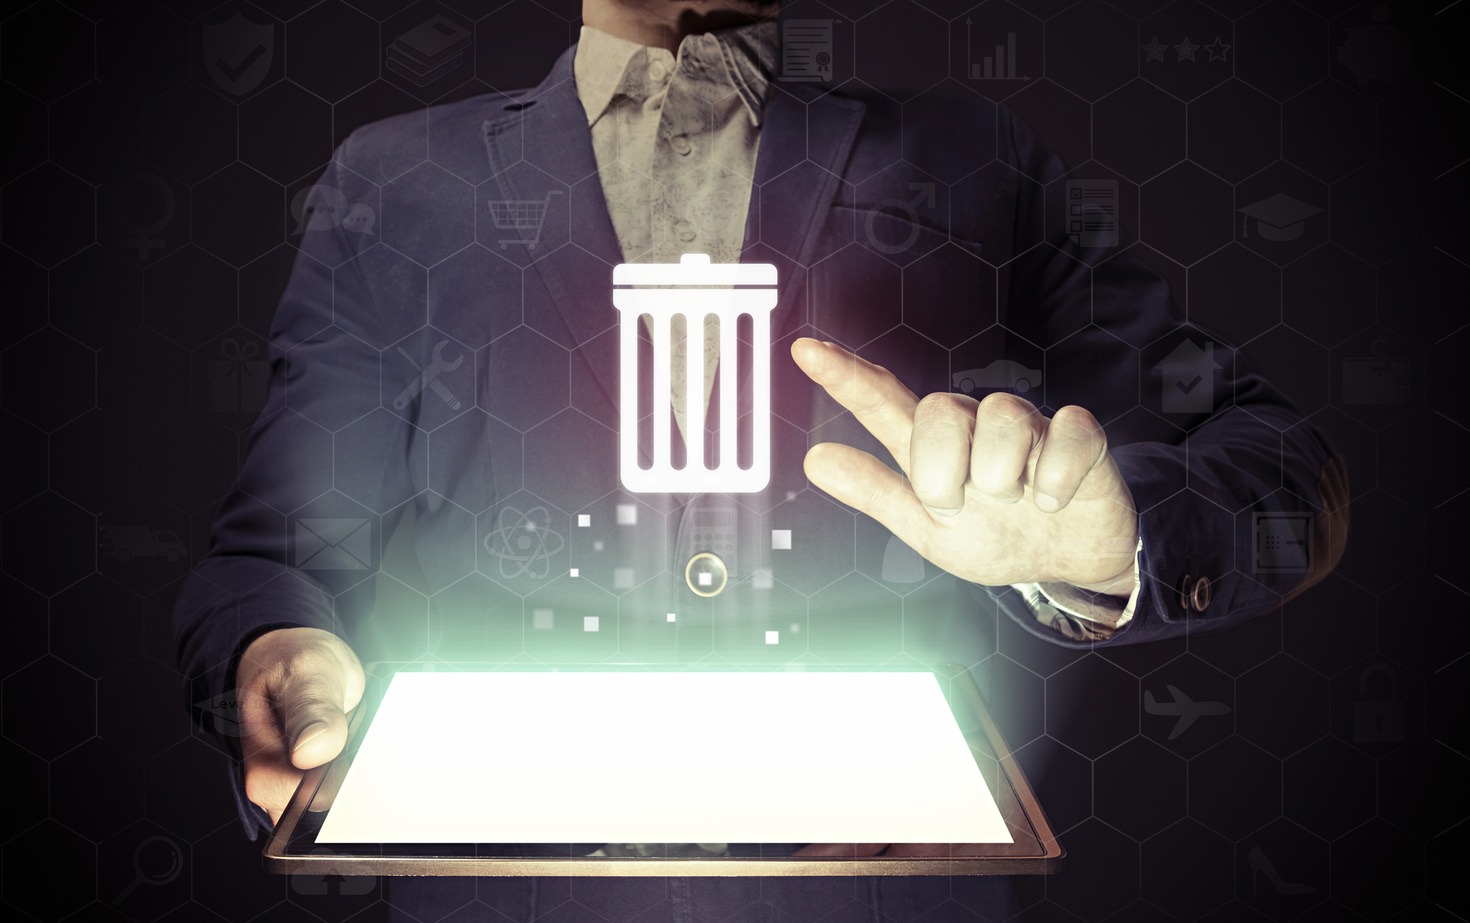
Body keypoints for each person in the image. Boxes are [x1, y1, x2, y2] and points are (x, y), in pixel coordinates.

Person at [173, 0, 1348, 919]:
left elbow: (1283, 473)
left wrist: (1116, 547)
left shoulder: (975, 161)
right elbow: (274, 554)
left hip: (885, 898)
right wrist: (275, 647)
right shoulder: (398, 181)